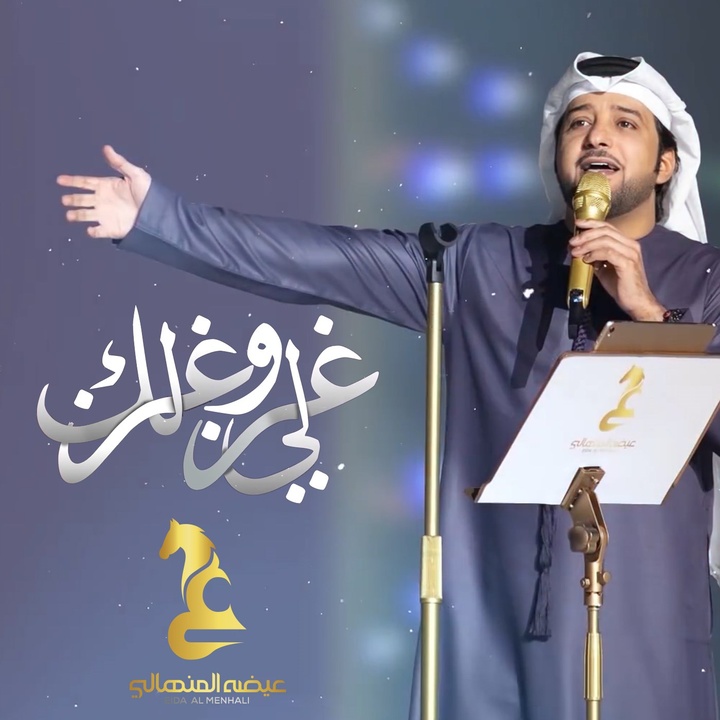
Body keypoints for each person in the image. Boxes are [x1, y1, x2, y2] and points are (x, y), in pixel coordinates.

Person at [58, 52, 720, 720]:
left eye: (625, 123)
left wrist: (650, 314)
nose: (597, 136)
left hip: (646, 628)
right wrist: (159, 216)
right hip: (492, 625)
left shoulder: (705, 281)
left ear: (666, 164)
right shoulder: (483, 263)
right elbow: (319, 262)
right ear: (556, 154)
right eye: (578, 122)